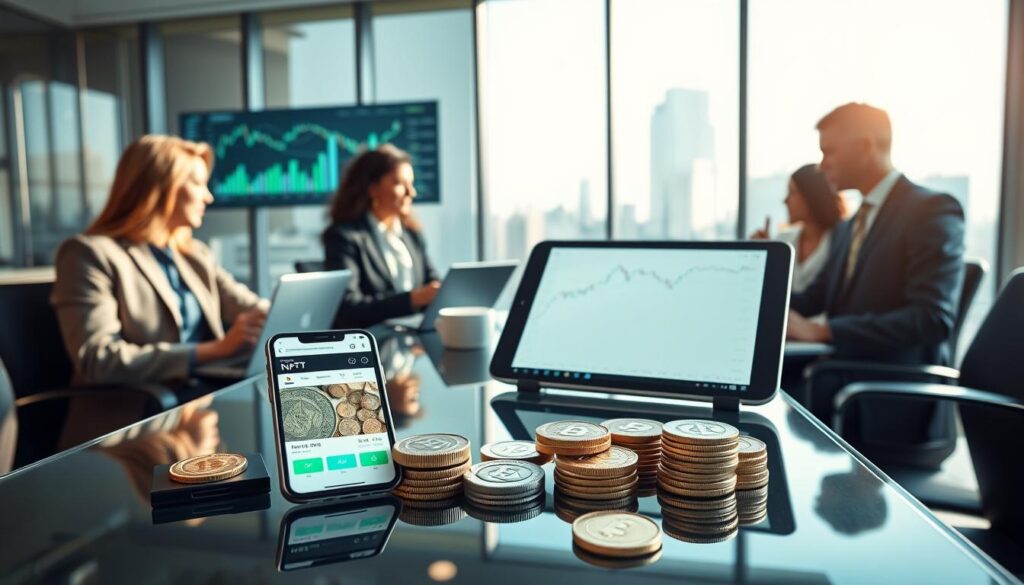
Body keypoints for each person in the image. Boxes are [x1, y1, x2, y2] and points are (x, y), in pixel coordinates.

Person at [786, 103, 965, 468]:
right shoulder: (851, 225)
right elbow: (816, 296)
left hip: (888, 399)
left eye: (829, 152)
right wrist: (763, 301)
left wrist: (823, 331)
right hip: (842, 382)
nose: (822, 166)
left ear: (866, 146)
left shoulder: (931, 210)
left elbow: (932, 318)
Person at [51, 135, 268, 386]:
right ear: (161, 188)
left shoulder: (194, 254)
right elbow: (98, 359)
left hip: (202, 400)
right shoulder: (89, 254)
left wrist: (275, 313)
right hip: (137, 411)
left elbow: (246, 306)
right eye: (197, 184)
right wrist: (215, 350)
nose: (208, 197)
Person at [323, 145, 441, 328]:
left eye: (412, 183)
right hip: (372, 342)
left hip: (412, 341)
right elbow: (348, 307)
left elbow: (431, 280)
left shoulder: (411, 233)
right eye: (400, 184)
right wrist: (412, 299)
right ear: (372, 188)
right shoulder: (344, 237)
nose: (412, 193)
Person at [751, 164, 846, 293]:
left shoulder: (841, 241)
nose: (785, 200)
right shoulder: (783, 240)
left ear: (811, 196)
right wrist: (764, 255)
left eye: (792, 193)